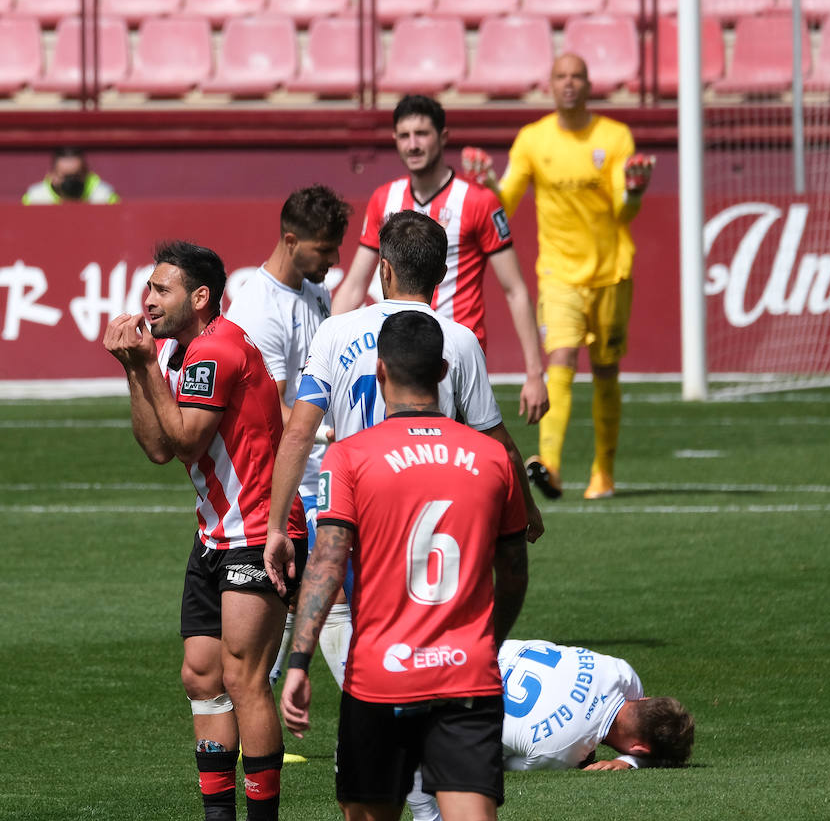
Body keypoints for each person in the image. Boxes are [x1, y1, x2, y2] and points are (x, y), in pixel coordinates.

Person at [280, 308, 529, 821]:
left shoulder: (350, 457)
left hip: (381, 676)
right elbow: (515, 570)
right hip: (466, 672)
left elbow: (326, 562)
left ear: (380, 371)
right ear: (445, 371)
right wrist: (485, 639)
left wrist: (299, 660)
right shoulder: (493, 459)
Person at [103, 241, 309, 821]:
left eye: (160, 290)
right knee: (201, 674)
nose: (147, 299)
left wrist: (144, 364)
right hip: (215, 535)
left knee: (246, 679)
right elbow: (158, 449)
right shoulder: (175, 352)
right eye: (148, 287)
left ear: (199, 298)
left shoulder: (217, 348)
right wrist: (136, 369)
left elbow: (189, 440)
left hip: (259, 533)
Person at [264, 210, 543, 602]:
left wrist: (276, 528)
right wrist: (527, 506)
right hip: (428, 523)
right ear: (441, 274)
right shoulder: (460, 340)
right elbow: (500, 445)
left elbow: (297, 434)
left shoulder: (334, 331)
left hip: (354, 513)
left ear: (385, 269)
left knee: (354, 625)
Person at [462, 54, 655, 501]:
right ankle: (548, 461)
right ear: (549, 85)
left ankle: (603, 472)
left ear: (589, 85)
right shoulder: (533, 139)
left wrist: (634, 192)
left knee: (606, 369)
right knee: (561, 359)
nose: (569, 84)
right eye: (561, 77)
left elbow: (623, 211)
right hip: (558, 274)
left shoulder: (614, 136)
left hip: (610, 271)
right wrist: (488, 183)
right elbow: (504, 201)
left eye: (577, 77)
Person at [330, 94, 548, 426]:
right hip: (395, 357)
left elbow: (515, 289)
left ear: (443, 137)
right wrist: (325, 351)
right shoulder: (382, 199)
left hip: (454, 356)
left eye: (422, 134)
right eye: (404, 136)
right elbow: (354, 285)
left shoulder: (479, 201)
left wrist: (534, 374)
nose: (412, 145)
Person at [400, 639, 695, 821]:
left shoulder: (622, 671)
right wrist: (627, 760)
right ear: (641, 748)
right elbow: (494, 761)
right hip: (436, 699)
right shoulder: (563, 750)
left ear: (644, 699)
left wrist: (626, 760)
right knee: (433, 747)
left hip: (461, 651)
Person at [225, 185, 354, 695]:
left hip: (321, 471)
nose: (335, 260)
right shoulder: (260, 308)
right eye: (325, 250)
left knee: (298, 602)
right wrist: (333, 430)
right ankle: (372, 723)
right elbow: (271, 409)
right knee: (330, 597)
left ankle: (252, 712)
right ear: (291, 238)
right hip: (293, 480)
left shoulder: (311, 290)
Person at [22, 146, 119, 205]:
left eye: (76, 175)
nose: (71, 181)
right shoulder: (35, 198)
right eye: (65, 176)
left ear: (85, 174)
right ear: (52, 176)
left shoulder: (103, 196)